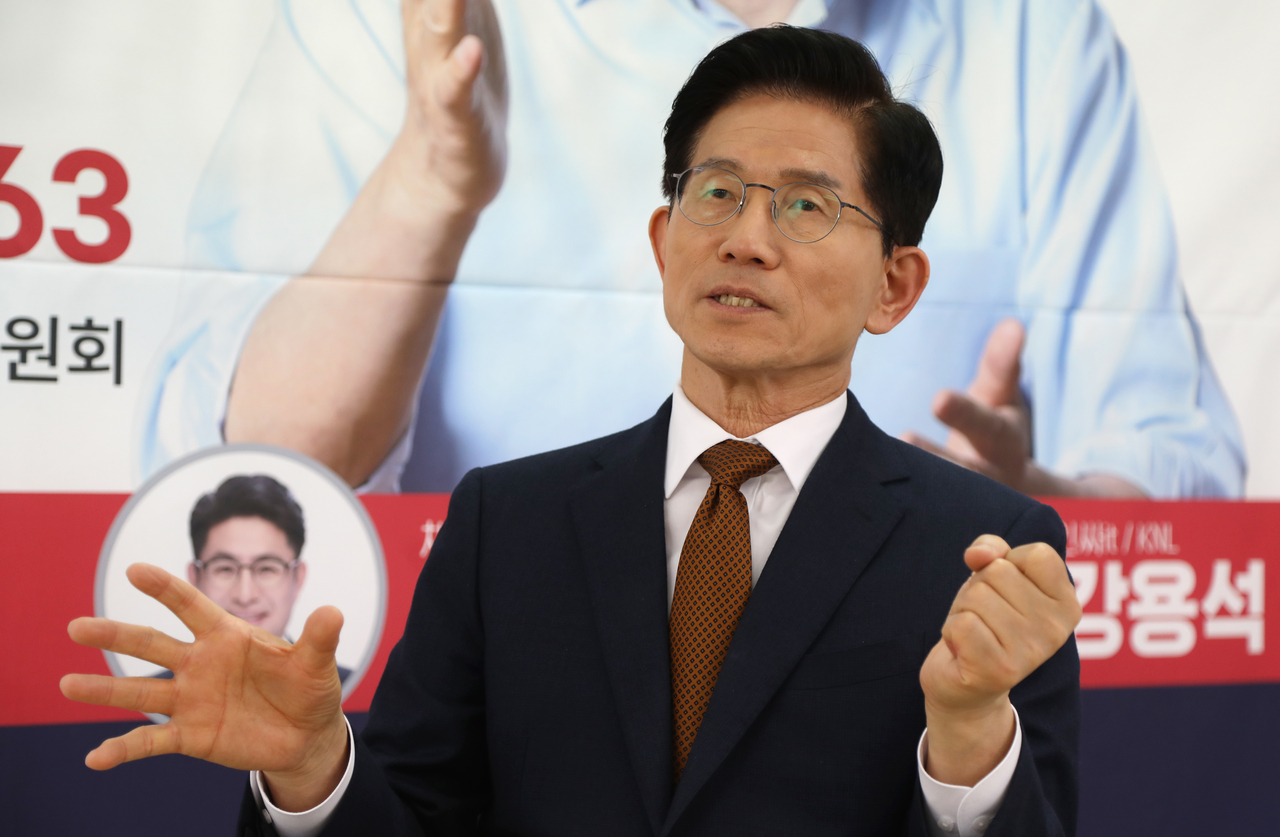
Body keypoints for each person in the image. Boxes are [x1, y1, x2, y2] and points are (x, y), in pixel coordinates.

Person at [64, 27, 1082, 837]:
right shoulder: (506, 521)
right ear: (663, 241)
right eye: (716, 192)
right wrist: (314, 768)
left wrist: (966, 737)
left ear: (894, 286)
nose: (746, 237)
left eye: (806, 205)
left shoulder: (983, 550)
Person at [137, 0, 1243, 500]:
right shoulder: (410, 15)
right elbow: (248, 487)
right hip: (493, 763)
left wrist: (1032, 508)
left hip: (897, 755)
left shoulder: (1036, 33)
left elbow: (1171, 466)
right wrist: (431, 183)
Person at [154, 474, 351, 684]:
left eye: (266, 569)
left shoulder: (348, 690)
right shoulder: (150, 696)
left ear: (298, 578)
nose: (245, 596)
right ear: (195, 578)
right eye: (225, 569)